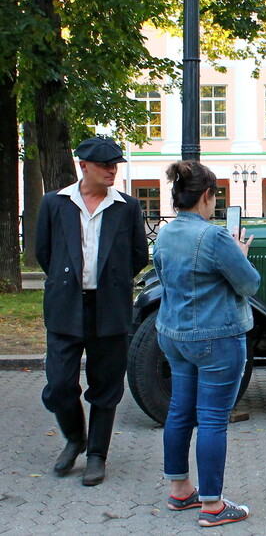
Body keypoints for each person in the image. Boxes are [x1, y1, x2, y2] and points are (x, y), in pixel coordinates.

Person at [152, 161, 260, 527]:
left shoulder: (165, 233)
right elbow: (250, 284)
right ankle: (213, 506)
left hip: (173, 334)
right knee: (213, 419)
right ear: (206, 197)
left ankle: (181, 491)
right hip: (216, 337)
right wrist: (240, 253)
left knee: (180, 411)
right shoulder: (214, 237)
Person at [36, 136, 149, 486]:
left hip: (109, 307)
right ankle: (75, 438)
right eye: (104, 165)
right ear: (83, 166)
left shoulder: (127, 207)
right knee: (59, 385)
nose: (112, 170)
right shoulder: (54, 204)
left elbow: (138, 256)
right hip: (65, 306)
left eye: (115, 164)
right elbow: (44, 253)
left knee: (106, 385)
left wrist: (111, 282)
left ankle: (97, 455)